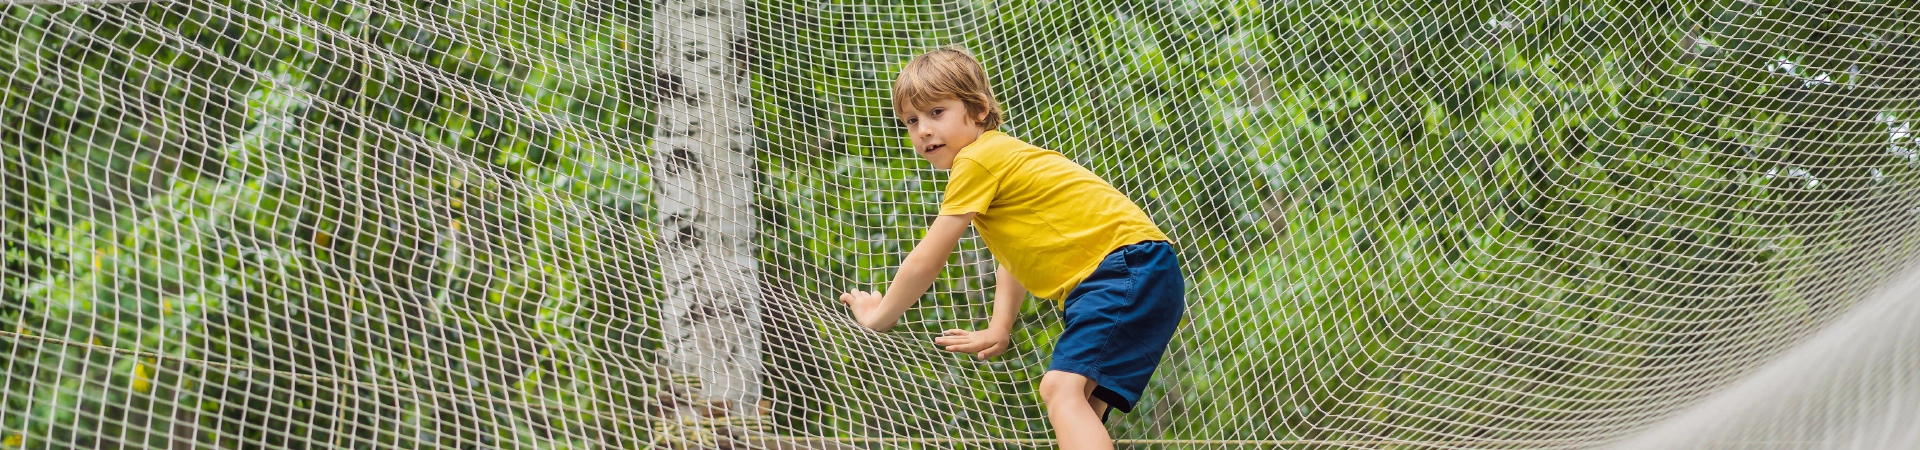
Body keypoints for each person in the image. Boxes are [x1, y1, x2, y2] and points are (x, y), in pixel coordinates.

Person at [838, 47, 1186, 450]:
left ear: (980, 109)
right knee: (1082, 409)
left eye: (937, 113)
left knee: (1060, 390)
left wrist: (880, 316)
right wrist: (1000, 326)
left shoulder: (977, 161)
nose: (923, 131)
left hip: (1124, 270)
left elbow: (927, 258)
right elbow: (1015, 257)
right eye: (911, 121)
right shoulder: (1001, 161)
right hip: (1136, 273)